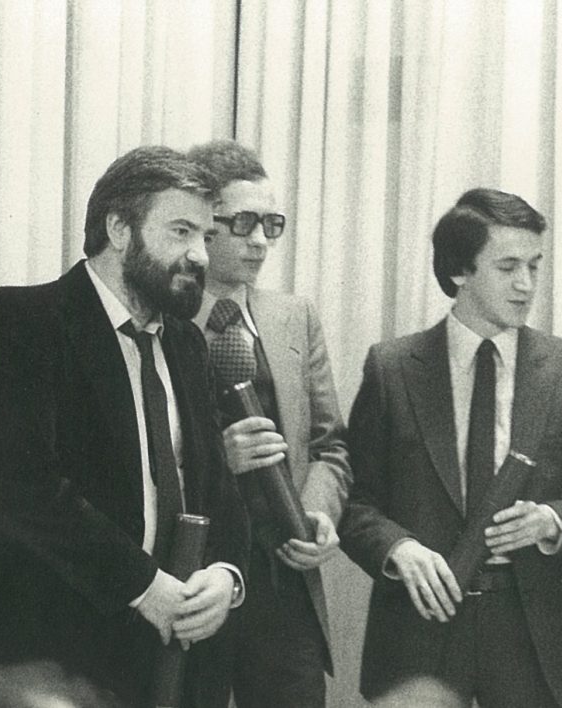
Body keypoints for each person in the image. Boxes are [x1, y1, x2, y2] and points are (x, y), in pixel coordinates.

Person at [0, 146, 250, 708]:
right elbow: (20, 486)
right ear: (119, 229)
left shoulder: (187, 343)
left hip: (168, 668)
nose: (201, 254)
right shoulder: (24, 321)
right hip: (39, 664)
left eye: (206, 235)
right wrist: (144, 586)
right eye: (181, 231)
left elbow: (216, 488)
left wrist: (226, 576)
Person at [339, 188, 562, 708]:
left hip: (530, 634)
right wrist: (399, 549)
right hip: (418, 630)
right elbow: (354, 504)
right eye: (508, 267)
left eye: (534, 265)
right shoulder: (392, 368)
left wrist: (553, 521)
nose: (526, 284)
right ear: (459, 270)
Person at [186, 139, 350, 707]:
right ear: (203, 226)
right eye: (243, 223)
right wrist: (218, 456)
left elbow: (331, 445)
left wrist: (317, 513)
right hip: (196, 578)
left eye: (271, 224)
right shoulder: (164, 319)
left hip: (285, 581)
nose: (260, 240)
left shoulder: (294, 316)